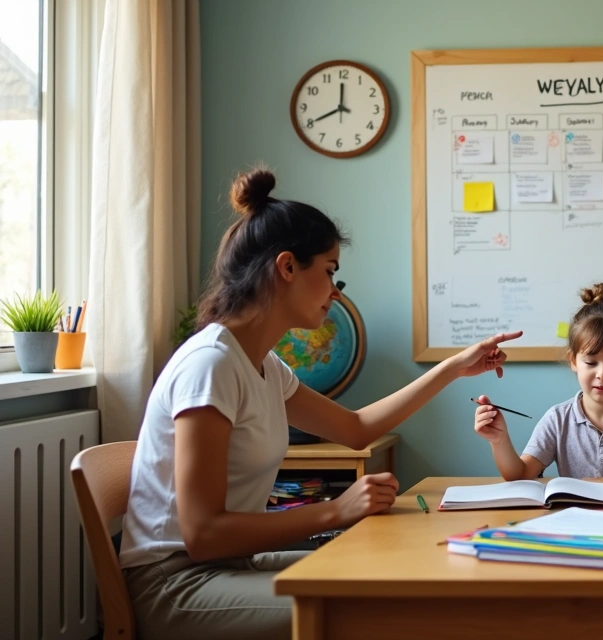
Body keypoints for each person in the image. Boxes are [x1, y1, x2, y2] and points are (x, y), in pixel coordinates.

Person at [119, 168, 522, 640]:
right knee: (381, 607)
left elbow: (355, 429)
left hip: (229, 565)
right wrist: (336, 510)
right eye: (329, 271)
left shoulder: (263, 365)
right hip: (177, 585)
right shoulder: (211, 365)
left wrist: (453, 368)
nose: (335, 290)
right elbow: (203, 534)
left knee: (390, 571)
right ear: (287, 267)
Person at [473, 283, 603, 499]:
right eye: (591, 362)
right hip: (573, 516)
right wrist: (499, 441)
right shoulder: (557, 419)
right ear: (573, 361)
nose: (602, 374)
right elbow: (520, 474)